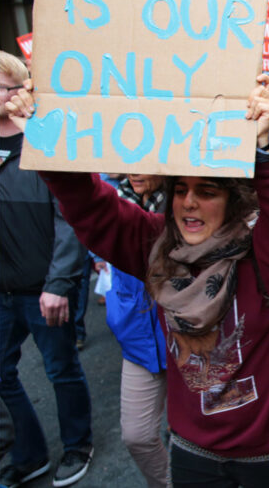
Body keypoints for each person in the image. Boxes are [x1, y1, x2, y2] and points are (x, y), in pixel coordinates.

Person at [8, 75, 269, 487]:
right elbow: (90, 206)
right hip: (192, 445)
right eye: (181, 190)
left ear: (233, 202)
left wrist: (264, 152)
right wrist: (49, 138)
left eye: (207, 191)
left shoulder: (263, 254)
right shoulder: (156, 244)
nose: (189, 202)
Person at [0, 50, 94, 488]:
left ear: (19, 89)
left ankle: (78, 445)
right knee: (1, 373)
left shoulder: (43, 137)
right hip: (1, 289)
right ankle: (28, 452)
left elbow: (70, 215)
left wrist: (58, 282)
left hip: (44, 288)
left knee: (61, 369)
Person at [99, 174, 168, 488]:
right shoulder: (113, 203)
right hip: (139, 339)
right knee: (137, 435)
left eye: (143, 162)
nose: (134, 171)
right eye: (128, 161)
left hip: (191, 341)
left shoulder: (191, 200)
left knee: (197, 438)